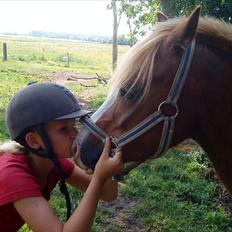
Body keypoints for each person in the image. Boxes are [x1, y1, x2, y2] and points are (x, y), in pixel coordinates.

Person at [0, 82, 123, 232]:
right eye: (64, 129)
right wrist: (98, 178)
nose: (75, 134)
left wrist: (105, 167)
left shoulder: (54, 163)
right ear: (33, 141)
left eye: (74, 126)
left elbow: (107, 194)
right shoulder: (12, 174)